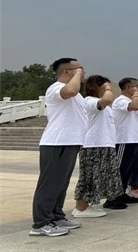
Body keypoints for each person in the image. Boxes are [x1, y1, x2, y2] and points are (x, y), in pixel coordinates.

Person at [30, 58, 87, 237]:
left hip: (70, 142)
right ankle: (41, 223)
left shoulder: (76, 94)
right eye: (79, 69)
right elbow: (70, 90)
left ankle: (56, 216)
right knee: (49, 185)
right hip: (57, 142)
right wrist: (77, 75)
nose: (83, 72)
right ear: (66, 72)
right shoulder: (55, 89)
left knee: (61, 184)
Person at [72, 75, 124, 217]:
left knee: (100, 177)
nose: (109, 90)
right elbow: (106, 100)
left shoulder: (104, 106)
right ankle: (80, 208)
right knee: (89, 177)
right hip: (93, 145)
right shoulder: (89, 101)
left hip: (104, 144)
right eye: (105, 87)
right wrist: (108, 89)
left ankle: (86, 205)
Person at [113, 78, 138, 202]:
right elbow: (135, 106)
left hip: (135, 139)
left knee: (129, 168)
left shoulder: (130, 99)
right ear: (128, 88)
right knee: (121, 168)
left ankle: (123, 192)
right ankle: (115, 195)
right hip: (124, 140)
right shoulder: (121, 100)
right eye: (136, 86)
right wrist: (136, 94)